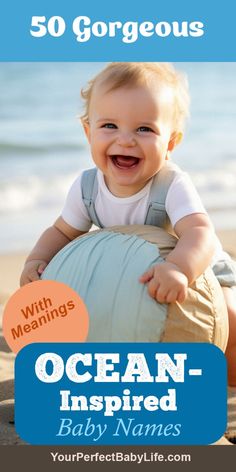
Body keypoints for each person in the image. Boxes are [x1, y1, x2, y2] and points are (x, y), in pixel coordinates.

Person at [20, 62, 236, 388]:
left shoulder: (171, 183)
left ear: (171, 143)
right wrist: (38, 259)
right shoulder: (87, 187)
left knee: (231, 322)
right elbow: (62, 232)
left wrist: (179, 267)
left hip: (199, 266)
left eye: (144, 129)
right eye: (109, 125)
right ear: (87, 131)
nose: (126, 140)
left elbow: (200, 233)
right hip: (128, 275)